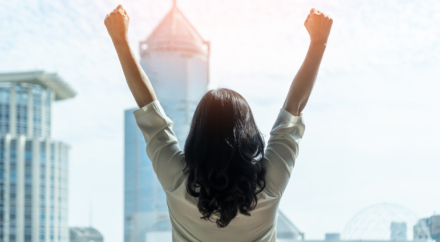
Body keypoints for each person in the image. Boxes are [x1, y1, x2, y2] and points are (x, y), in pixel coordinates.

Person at [105, 5, 332, 242]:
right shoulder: (269, 183)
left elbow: (148, 107)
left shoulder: (177, 180)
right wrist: (319, 43)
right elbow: (294, 107)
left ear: (197, 135)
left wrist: (120, 40)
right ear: (249, 134)